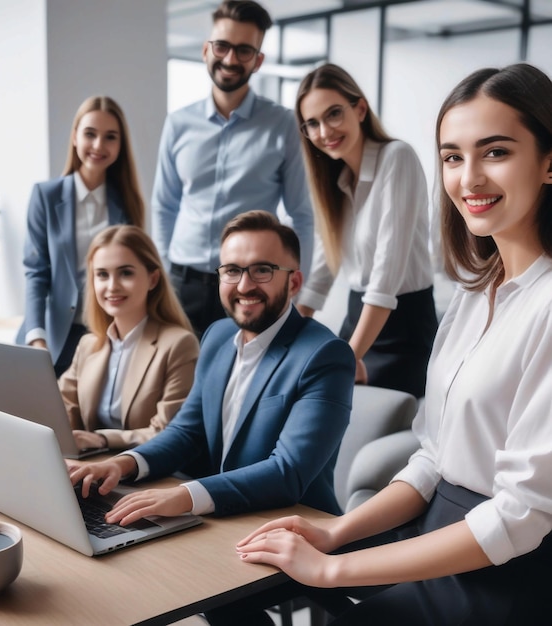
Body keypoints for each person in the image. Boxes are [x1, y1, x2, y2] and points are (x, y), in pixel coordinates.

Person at [219, 63, 552, 625]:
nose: (468, 178)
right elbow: (432, 459)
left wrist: (329, 569)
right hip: (441, 537)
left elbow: (520, 516)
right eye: (452, 156)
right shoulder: (474, 295)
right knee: (243, 584)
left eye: (495, 152)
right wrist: (334, 533)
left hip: (503, 578)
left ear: (548, 161)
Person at [69, 210, 355, 525]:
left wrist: (184, 495)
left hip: (297, 529)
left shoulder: (326, 355)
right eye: (232, 270)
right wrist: (122, 464)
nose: (245, 285)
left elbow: (287, 472)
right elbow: (186, 432)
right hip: (226, 519)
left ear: (294, 282)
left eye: (262, 270)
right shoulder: (218, 336)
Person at [151, 0, 314, 337]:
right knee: (182, 380)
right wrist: (166, 273)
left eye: (244, 50)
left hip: (250, 284)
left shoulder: (283, 124)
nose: (229, 59)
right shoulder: (178, 124)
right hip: (184, 282)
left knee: (243, 382)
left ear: (258, 60)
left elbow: (301, 214)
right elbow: (164, 205)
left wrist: (297, 286)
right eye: (222, 46)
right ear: (206, 49)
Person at [295, 64, 438, 398]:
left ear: (360, 109)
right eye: (312, 123)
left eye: (333, 114)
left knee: (372, 420)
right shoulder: (338, 181)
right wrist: (286, 335)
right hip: (357, 319)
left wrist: (350, 355)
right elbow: (321, 270)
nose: (324, 131)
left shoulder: (397, 158)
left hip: (402, 328)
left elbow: (386, 276)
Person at [16, 96, 145, 377]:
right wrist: (36, 337)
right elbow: (36, 273)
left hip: (106, 336)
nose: (99, 145)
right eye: (90, 134)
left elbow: (134, 276)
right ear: (75, 137)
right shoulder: (45, 196)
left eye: (110, 137)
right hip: (53, 337)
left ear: (120, 146)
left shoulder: (128, 203)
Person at [57, 225, 199, 451]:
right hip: (91, 467)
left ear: (153, 279)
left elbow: (170, 432)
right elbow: (59, 410)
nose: (112, 286)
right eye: (102, 274)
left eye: (126, 273)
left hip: (148, 473)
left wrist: (103, 439)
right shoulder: (88, 345)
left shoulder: (179, 344)